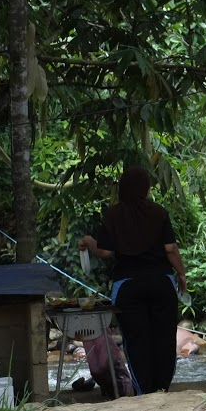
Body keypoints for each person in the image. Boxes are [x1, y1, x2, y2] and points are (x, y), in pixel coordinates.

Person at [79, 166, 188, 395]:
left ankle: (144, 392)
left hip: (127, 285)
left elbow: (105, 252)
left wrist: (89, 242)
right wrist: (181, 274)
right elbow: (170, 249)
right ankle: (162, 388)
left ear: (122, 189)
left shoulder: (113, 215)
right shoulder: (159, 212)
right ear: (146, 189)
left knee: (136, 341)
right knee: (164, 338)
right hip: (161, 282)